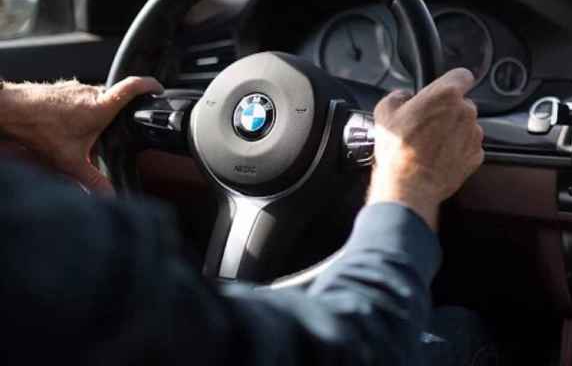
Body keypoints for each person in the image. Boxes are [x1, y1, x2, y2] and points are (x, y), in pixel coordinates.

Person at [0, 68, 490, 365]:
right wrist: (409, 178)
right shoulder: (35, 245)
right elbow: (350, 349)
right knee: (459, 332)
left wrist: (15, 106)